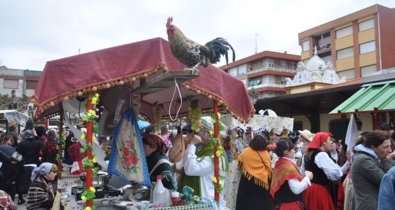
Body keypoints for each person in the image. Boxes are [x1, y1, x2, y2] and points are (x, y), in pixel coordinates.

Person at [178, 119, 229, 210]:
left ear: (206, 133)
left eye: (197, 131)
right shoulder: (202, 147)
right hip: (200, 199)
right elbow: (187, 164)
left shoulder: (215, 153)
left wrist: (192, 144)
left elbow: (190, 169)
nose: (194, 134)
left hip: (205, 201)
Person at [303, 132, 349, 210]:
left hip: (311, 188)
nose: (331, 142)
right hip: (319, 190)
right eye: (329, 140)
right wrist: (339, 176)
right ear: (323, 143)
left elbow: (302, 172)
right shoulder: (321, 155)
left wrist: (348, 162)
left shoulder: (310, 154)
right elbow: (335, 174)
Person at [352, 130, 395, 210]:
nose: (390, 151)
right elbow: (386, 180)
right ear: (372, 147)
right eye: (385, 147)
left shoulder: (372, 158)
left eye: (390, 146)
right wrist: (387, 159)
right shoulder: (363, 160)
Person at [270, 139, 313, 210]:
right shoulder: (288, 168)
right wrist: (308, 177)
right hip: (290, 206)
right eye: (292, 149)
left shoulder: (280, 163)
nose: (294, 151)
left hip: (282, 204)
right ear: (286, 152)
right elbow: (296, 189)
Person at [236, 134, 273, 210]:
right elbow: (268, 168)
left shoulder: (246, 151)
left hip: (247, 181)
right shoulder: (266, 154)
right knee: (260, 204)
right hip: (262, 183)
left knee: (245, 203)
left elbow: (240, 163)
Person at [16, 129, 42, 205]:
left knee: (22, 181)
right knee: (33, 182)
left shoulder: (21, 144)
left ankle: (20, 198)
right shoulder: (37, 143)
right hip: (34, 164)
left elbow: (18, 154)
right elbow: (40, 143)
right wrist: (36, 136)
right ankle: (33, 198)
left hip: (24, 164)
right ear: (32, 135)